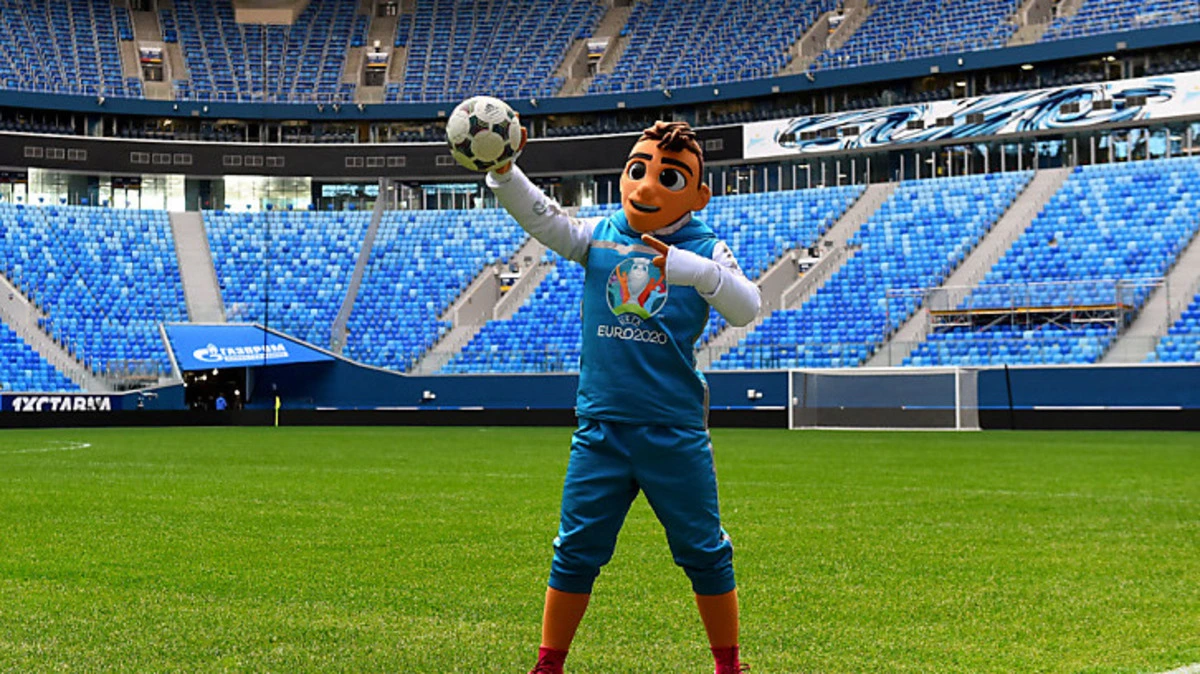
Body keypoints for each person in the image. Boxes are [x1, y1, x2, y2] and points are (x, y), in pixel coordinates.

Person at [484, 119, 760, 674]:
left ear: (700, 195)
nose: (646, 186)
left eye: (669, 177)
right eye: (637, 170)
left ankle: (728, 666)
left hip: (673, 430)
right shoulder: (601, 234)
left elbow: (747, 307)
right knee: (574, 550)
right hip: (601, 429)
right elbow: (545, 219)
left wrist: (699, 273)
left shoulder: (706, 248)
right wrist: (506, 174)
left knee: (705, 551)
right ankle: (549, 664)